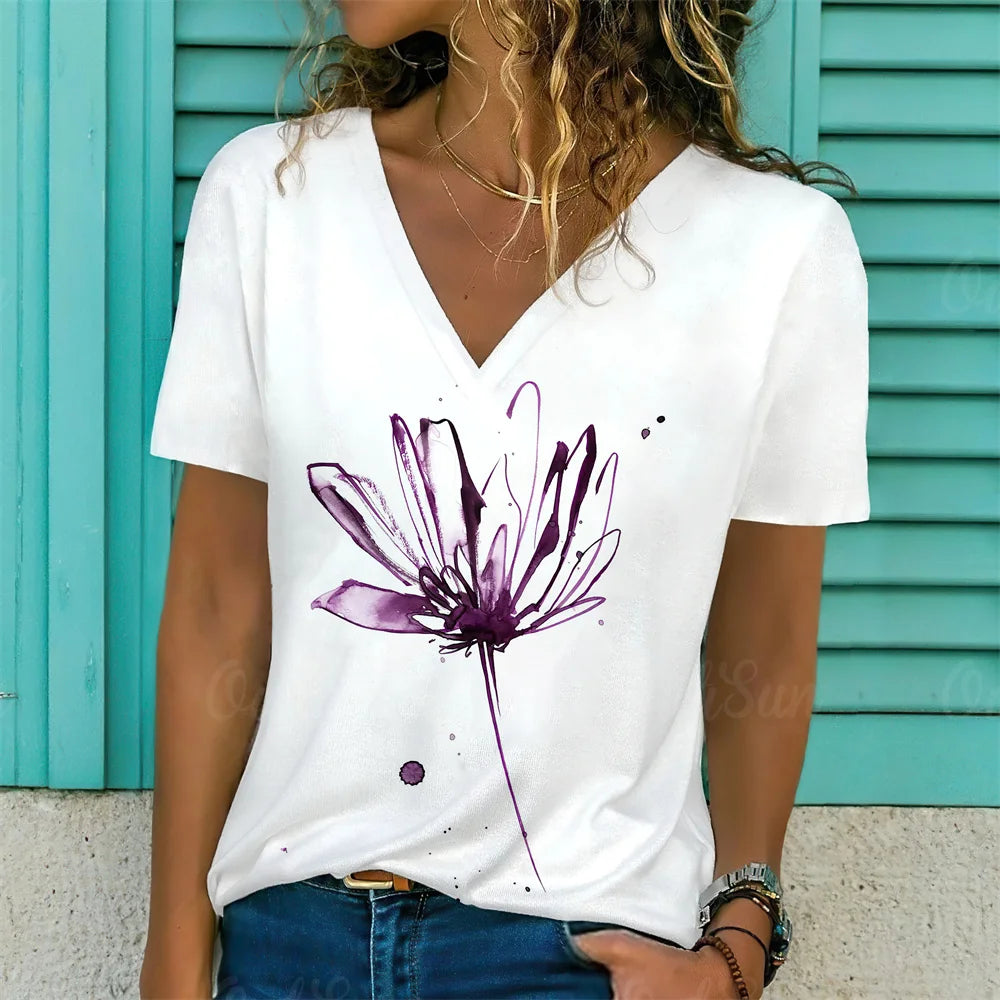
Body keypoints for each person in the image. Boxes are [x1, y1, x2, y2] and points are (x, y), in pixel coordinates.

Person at [139, 1, 871, 998]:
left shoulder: (774, 250)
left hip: (580, 951)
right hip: (288, 942)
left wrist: (736, 950)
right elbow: (218, 608)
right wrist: (174, 959)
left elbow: (764, 640)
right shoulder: (274, 196)